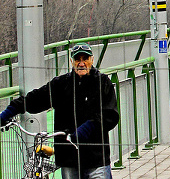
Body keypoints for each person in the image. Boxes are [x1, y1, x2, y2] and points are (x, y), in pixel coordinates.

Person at [0, 43, 119, 178]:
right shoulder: (61, 84)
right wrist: (10, 111)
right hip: (69, 158)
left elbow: (110, 115)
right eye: (77, 60)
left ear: (92, 60)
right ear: (71, 62)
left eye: (85, 59)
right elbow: (36, 99)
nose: (81, 63)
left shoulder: (102, 83)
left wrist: (82, 132)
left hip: (96, 158)